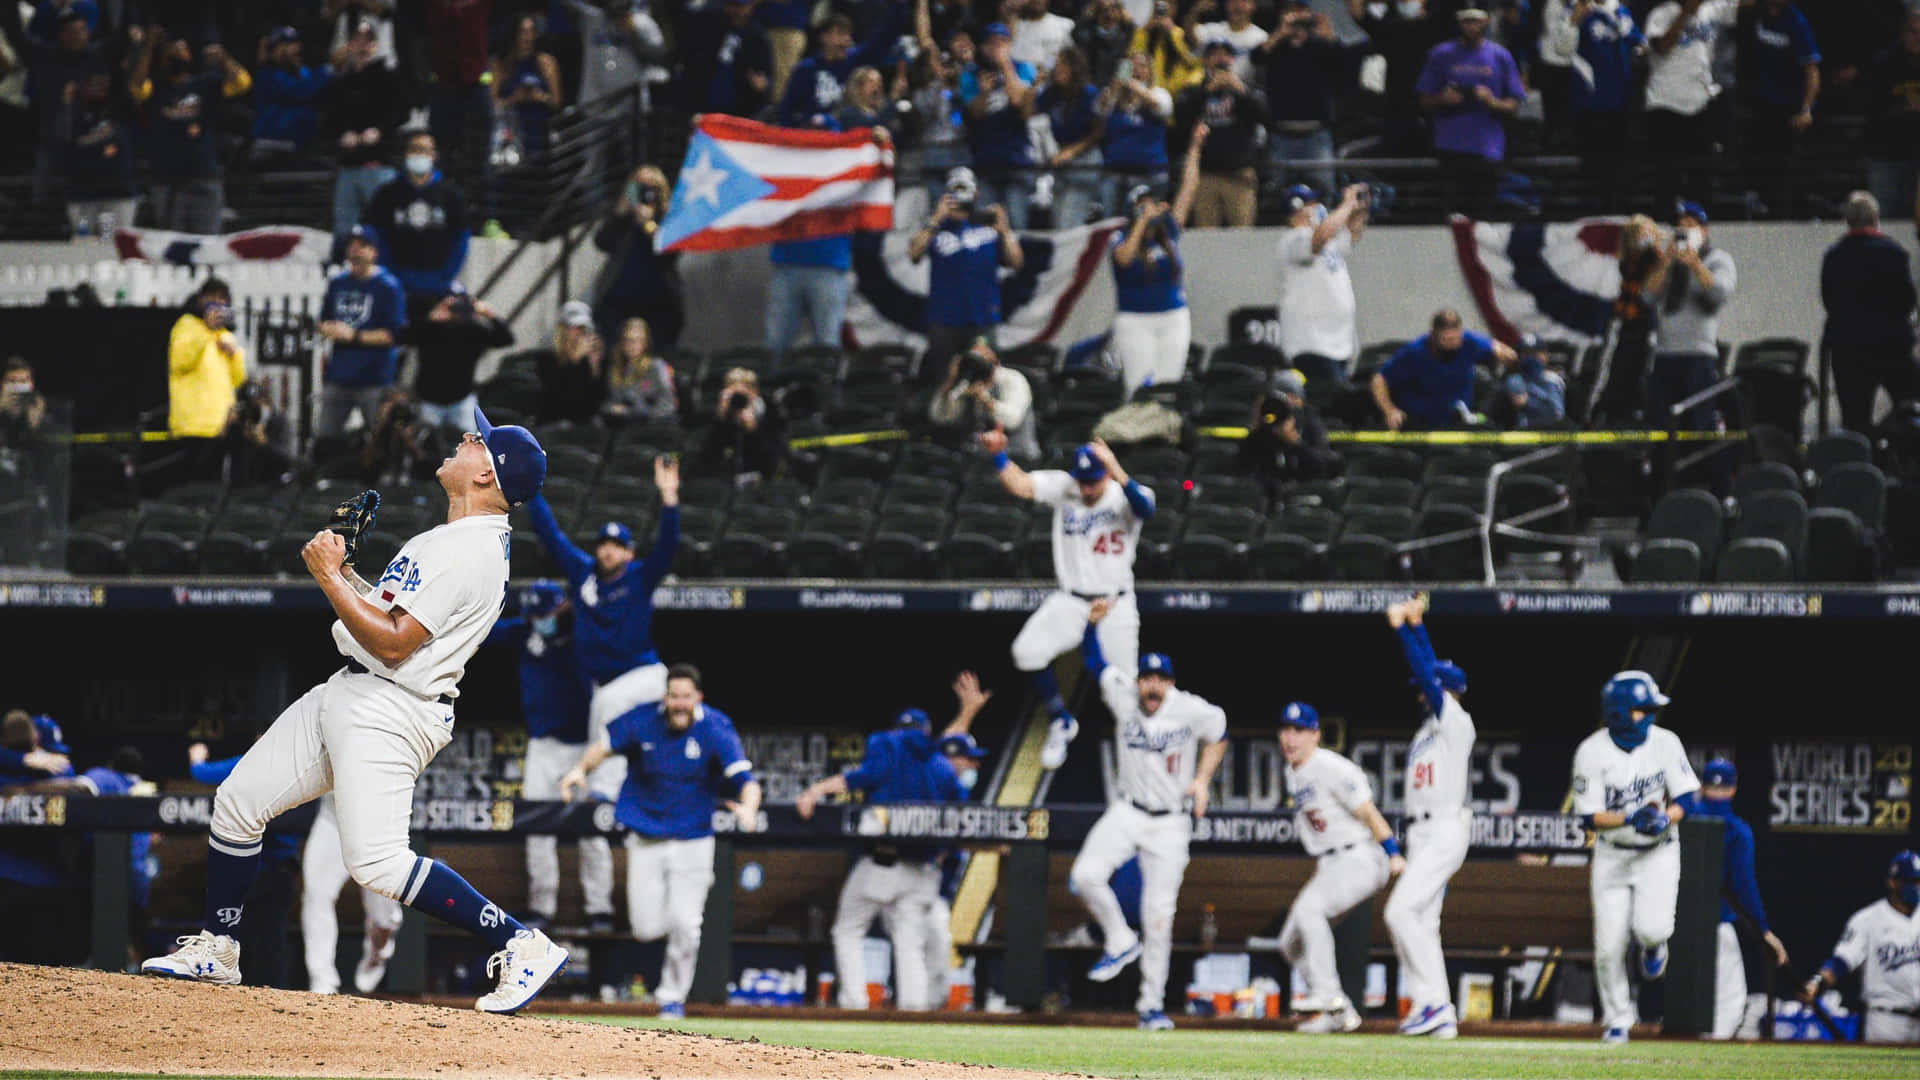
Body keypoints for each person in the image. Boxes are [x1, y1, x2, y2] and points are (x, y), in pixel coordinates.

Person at [142, 404, 568, 1013]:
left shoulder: (467, 549)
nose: (468, 438)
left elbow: (394, 643)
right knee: (238, 802)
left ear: (487, 477)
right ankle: (218, 946)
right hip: (356, 691)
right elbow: (391, 620)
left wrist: (328, 579)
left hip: (392, 709)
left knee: (376, 863)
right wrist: (350, 577)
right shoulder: (459, 540)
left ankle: (522, 944)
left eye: (481, 441)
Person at [560, 663, 761, 1019]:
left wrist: (748, 809)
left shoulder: (714, 726)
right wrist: (579, 770)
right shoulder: (643, 719)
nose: (679, 703)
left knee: (687, 924)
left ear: (697, 697)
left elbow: (745, 779)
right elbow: (603, 746)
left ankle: (671, 997)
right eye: (673, 696)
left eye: (686, 696)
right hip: (646, 836)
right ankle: (675, 931)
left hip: (693, 839)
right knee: (645, 927)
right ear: (665, 697)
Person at [1068, 599, 1227, 1032]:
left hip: (1171, 821)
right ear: (1138, 681)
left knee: (1159, 916)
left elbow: (1219, 732)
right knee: (1085, 875)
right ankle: (1119, 938)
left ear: (1171, 683)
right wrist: (1091, 625)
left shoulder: (1189, 707)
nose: (1152, 686)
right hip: (1129, 810)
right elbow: (1095, 661)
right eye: (1147, 678)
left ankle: (1150, 1008)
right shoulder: (1123, 695)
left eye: (1160, 679)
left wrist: (1202, 780)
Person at [979, 438, 1152, 771]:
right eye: (1082, 481)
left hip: (1116, 604)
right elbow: (1021, 485)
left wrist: (1116, 470)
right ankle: (1060, 719)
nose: (1086, 489)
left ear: (1108, 474)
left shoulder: (1125, 495)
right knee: (1025, 651)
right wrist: (998, 454)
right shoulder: (1066, 486)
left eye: (1094, 481)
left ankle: (1138, 769)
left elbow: (1147, 509)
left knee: (1126, 698)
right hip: (1071, 601)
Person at [526, 456, 680, 812]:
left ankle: (605, 794)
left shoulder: (639, 577)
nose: (607, 549)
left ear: (628, 552)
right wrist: (530, 490)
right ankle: (609, 792)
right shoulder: (583, 575)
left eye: (616, 544)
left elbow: (668, 547)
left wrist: (668, 498)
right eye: (603, 543)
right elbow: (551, 536)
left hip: (641, 674)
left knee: (606, 715)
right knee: (608, 719)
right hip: (608, 683)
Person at [794, 707, 962, 1011]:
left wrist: (817, 789)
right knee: (909, 941)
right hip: (925, 870)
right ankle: (914, 1012)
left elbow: (863, 777)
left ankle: (855, 1004)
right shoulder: (942, 765)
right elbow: (960, 818)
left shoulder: (888, 743)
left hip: (884, 862)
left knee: (847, 930)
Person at [1570, 670, 1700, 1044]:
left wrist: (1663, 817)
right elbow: (1588, 817)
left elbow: (1687, 799)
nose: (1649, 715)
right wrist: (1629, 817)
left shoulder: (1665, 742)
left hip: (1658, 852)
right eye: (1641, 709)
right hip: (1612, 855)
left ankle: (1654, 946)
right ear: (1618, 712)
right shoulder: (1591, 751)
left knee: (1652, 928)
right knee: (1608, 945)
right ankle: (1617, 1019)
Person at [487, 581, 610, 933]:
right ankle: (541, 907)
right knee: (537, 829)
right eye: (534, 614)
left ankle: (599, 909)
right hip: (542, 745)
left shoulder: (584, 633)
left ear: (562, 607)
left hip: (584, 747)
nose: (539, 619)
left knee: (593, 828)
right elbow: (483, 632)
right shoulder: (524, 631)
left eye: (545, 613)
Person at [1275, 701, 1405, 1034]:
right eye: (1286, 730)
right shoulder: (1292, 772)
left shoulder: (1331, 767)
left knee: (1310, 912)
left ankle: (1326, 993)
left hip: (1360, 856)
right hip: (1331, 863)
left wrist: (1393, 852)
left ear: (1316, 735)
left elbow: (1367, 812)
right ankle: (1340, 1013)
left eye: (1299, 731)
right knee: (1289, 944)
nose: (1291, 738)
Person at [1381, 598, 1473, 1040]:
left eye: (1430, 688)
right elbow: (1430, 670)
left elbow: (1428, 675)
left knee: (1399, 912)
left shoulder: (1455, 720)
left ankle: (1435, 1002)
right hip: (1422, 831)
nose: (1420, 691)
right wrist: (1418, 625)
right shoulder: (1430, 729)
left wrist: (1401, 631)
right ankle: (1432, 1009)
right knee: (1422, 922)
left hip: (1443, 828)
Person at [1678, 758, 1788, 1041]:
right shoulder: (1737, 830)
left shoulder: (1683, 816)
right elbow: (1744, 886)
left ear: (1703, 786)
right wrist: (1763, 930)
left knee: (1683, 1004)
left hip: (1674, 928)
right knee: (1729, 1004)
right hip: (1715, 927)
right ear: (1733, 789)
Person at [128, 29, 252, 233]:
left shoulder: (205, 84)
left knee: (207, 243)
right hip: (167, 180)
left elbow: (242, 83)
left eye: (183, 49)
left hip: (205, 175)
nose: (178, 53)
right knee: (171, 243)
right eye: (172, 51)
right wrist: (148, 49)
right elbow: (136, 88)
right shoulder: (157, 88)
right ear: (162, 59)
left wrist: (224, 59)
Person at [1108, 132, 1201, 392]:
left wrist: (1194, 148)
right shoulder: (1120, 238)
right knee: (1138, 385)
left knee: (1168, 384)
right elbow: (1124, 260)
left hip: (1173, 316)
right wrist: (1140, 224)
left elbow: (1188, 190)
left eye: (1151, 203)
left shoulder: (1167, 232)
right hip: (1135, 320)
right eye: (1142, 205)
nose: (1149, 209)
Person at [1821, 191, 1918, 435]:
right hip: (1891, 345)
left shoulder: (1834, 256)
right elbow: (1907, 300)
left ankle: (1861, 463)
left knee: (1854, 419)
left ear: (1848, 220)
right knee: (1909, 406)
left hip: (1849, 348)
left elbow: (1829, 300)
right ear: (1875, 218)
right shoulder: (1894, 253)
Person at [909, 167, 1024, 369]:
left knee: (985, 379)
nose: (960, 198)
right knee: (944, 380)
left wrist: (1005, 230)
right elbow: (914, 253)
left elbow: (1016, 262)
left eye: (965, 190)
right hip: (943, 322)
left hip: (982, 321)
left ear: (976, 194)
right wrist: (936, 219)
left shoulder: (988, 228)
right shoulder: (936, 229)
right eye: (955, 191)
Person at [1801, 850, 1920, 1044]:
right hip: (1886, 1022)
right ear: (1892, 882)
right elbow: (1841, 961)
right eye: (1911, 881)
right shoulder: (1867, 919)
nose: (1917, 887)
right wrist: (1817, 982)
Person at [1414, 8, 1523, 217]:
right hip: (1450, 146)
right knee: (1454, 216)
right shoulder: (1441, 54)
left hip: (1487, 148)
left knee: (1483, 216)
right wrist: (1443, 99)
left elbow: (1514, 105)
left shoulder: (1500, 56)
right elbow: (1424, 101)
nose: (1471, 26)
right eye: (1466, 21)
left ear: (1486, 22)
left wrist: (1491, 101)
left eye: (1476, 21)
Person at [300, 791, 404, 995]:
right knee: (316, 894)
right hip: (333, 819)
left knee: (383, 920)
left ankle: (378, 954)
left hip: (380, 825)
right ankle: (322, 980)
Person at [1643, 1, 1740, 217]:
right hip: (1665, 102)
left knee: (1702, 178)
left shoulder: (1710, 9)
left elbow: (1746, 6)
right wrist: (1686, 13)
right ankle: (1666, 231)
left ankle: (1699, 233)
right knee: (1667, 179)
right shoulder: (1660, 14)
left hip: (1700, 102)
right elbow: (1661, 47)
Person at [315, 224, 408, 445]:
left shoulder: (388, 287)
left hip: (374, 377)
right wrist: (326, 328)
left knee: (379, 440)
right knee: (325, 438)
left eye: (362, 246)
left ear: (374, 251)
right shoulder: (338, 283)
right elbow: (323, 319)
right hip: (339, 374)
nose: (355, 251)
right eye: (352, 246)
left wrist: (353, 336)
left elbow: (392, 335)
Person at [1647, 202, 1734, 436]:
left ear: (1704, 230)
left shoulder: (1718, 259)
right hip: (1665, 354)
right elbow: (1647, 296)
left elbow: (1719, 293)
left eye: (1690, 225)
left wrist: (1695, 264)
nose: (1683, 230)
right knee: (1661, 426)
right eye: (1679, 226)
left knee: (1699, 427)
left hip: (1698, 355)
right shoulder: (1667, 263)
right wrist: (1665, 261)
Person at [361, 132, 470, 317]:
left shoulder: (452, 195)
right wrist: (389, 275)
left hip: (438, 285)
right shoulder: (386, 193)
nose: (420, 155)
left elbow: (461, 240)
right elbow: (376, 237)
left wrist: (446, 276)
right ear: (406, 154)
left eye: (425, 150)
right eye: (415, 149)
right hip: (396, 283)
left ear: (434, 155)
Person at [322, 19, 404, 251]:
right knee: (344, 226)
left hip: (379, 164)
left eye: (368, 42)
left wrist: (379, 131)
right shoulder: (341, 82)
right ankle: (341, 268)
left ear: (376, 46)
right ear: (349, 45)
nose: (363, 47)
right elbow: (329, 118)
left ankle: (389, 265)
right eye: (358, 41)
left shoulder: (388, 77)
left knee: (384, 222)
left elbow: (401, 112)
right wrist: (342, 135)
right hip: (348, 165)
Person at [1556, 0, 1644, 209]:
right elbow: (1562, 49)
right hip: (1590, 98)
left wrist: (1641, 51)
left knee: (1620, 164)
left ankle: (1618, 209)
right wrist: (1573, 22)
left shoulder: (1621, 10)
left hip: (1622, 99)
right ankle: (1592, 213)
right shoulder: (1575, 9)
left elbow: (1638, 42)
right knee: (1593, 165)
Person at [1275, 183, 1366, 384]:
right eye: (1312, 203)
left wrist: (1359, 210)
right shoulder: (1293, 239)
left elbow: (1350, 235)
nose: (1318, 207)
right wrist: (1347, 204)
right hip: (1311, 344)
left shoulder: (1324, 239)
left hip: (1337, 343)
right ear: (1297, 207)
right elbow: (1320, 238)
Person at [1172, 40, 1268, 228]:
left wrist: (1241, 90)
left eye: (1226, 55)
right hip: (1205, 177)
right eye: (1215, 54)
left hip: (1240, 176)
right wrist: (1207, 90)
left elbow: (1265, 115)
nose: (1221, 59)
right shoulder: (1195, 91)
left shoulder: (1247, 90)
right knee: (1206, 238)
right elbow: (1181, 118)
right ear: (1205, 61)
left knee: (1242, 238)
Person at [401, 283, 515, 437]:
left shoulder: (474, 330)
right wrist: (430, 319)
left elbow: (505, 339)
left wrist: (490, 315)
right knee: (427, 445)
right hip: (429, 399)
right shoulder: (429, 329)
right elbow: (403, 337)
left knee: (468, 445)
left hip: (462, 398)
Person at [1371, 309, 1513, 431]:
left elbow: (1503, 351)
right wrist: (1389, 410)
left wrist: (1505, 355)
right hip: (1420, 422)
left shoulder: (1470, 342)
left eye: (1455, 339)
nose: (1452, 345)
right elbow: (1379, 380)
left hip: (1458, 419)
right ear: (1433, 335)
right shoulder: (1414, 352)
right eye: (1446, 340)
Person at [1739, 0, 1819, 215]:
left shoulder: (1796, 21)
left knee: (1782, 168)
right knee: (1754, 161)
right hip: (1758, 104)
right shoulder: (1755, 13)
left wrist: (1806, 109)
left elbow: (1811, 70)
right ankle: (1755, 202)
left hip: (1787, 107)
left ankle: (1782, 212)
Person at [592, 165, 684, 348]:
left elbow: (671, 252)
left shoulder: (669, 218)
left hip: (658, 305)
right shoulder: (623, 219)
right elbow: (602, 242)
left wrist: (648, 224)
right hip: (619, 302)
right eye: (639, 185)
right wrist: (620, 212)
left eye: (651, 186)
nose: (645, 191)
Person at [1257, 4, 1343, 196]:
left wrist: (1328, 35)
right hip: (1281, 135)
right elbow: (1257, 57)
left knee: (1325, 190)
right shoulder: (1276, 47)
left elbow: (1343, 63)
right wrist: (1281, 32)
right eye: (1292, 12)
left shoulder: (1320, 46)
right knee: (1273, 191)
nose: (1297, 19)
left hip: (1316, 135)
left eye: (1301, 12)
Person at [166, 277, 247, 479]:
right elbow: (180, 363)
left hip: (220, 425)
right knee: (192, 483)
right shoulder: (186, 326)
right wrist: (205, 333)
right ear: (201, 299)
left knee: (214, 484)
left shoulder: (226, 334)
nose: (217, 303)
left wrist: (234, 354)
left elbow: (238, 380)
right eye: (212, 297)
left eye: (222, 299)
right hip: (192, 425)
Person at [959, 23, 1038, 229]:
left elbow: (1019, 102)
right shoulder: (971, 74)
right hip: (985, 161)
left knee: (1016, 224)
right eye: (991, 43)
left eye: (1002, 43)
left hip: (1017, 159)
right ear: (982, 47)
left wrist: (1005, 64)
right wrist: (983, 93)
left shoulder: (1022, 68)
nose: (996, 48)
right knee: (985, 226)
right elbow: (974, 112)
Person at [58, 67, 138, 238]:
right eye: (92, 83)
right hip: (82, 196)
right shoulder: (72, 114)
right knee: (83, 244)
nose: (98, 86)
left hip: (117, 194)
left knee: (114, 246)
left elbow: (134, 79)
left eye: (102, 81)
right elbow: (59, 139)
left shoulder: (120, 109)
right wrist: (67, 104)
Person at [1237, 369, 1339, 500]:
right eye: (1281, 395)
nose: (1286, 401)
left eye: (1290, 395)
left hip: (1303, 492)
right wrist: (1257, 428)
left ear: (1299, 400)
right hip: (1267, 494)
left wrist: (1295, 442)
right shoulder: (1267, 421)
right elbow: (1242, 465)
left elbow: (1321, 466)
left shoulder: (1309, 421)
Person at [1096, 49, 1175, 218]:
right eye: (1130, 65)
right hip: (1115, 175)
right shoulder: (1113, 96)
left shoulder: (1159, 93)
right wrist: (1115, 88)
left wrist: (1133, 86)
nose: (1135, 70)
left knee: (1146, 224)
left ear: (1150, 71)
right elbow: (1098, 113)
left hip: (1150, 174)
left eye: (1142, 66)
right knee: (1111, 224)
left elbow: (1161, 108)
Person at [930, 339, 1039, 459]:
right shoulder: (966, 380)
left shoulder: (1013, 379)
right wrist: (951, 381)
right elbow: (940, 417)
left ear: (996, 361)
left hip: (1013, 456)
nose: (976, 366)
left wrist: (984, 399)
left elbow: (1012, 421)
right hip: (971, 457)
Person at [1039, 46, 1103, 229]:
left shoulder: (1089, 93)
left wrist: (1071, 151)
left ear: (1074, 67)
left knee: (1068, 225)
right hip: (1060, 163)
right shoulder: (1052, 94)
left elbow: (1098, 132)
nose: (1058, 68)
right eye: (1056, 64)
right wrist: (1035, 84)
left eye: (1063, 64)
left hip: (1084, 159)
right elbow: (1027, 112)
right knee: (1057, 222)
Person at [1864, 16, 1920, 223]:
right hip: (1887, 153)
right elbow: (1871, 108)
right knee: (1884, 218)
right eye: (1912, 32)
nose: (1917, 38)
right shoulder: (1884, 63)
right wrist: (1904, 109)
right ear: (1903, 34)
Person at [250, 25, 330, 161]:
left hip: (301, 146)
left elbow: (318, 93)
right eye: (287, 44)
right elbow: (299, 91)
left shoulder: (302, 72)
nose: (296, 49)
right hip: (272, 146)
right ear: (274, 50)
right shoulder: (268, 75)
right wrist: (328, 69)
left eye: (296, 43)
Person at [700, 367, 789, 487]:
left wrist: (752, 428)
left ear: (754, 393)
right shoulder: (723, 416)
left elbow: (773, 463)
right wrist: (720, 419)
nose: (738, 401)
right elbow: (707, 459)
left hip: (763, 483)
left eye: (742, 395)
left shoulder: (773, 414)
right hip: (726, 483)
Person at [490, 14, 562, 161]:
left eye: (531, 32)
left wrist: (541, 97)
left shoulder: (547, 63)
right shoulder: (499, 64)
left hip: (540, 132)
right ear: (514, 34)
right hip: (510, 134)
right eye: (523, 32)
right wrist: (514, 98)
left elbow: (557, 101)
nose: (527, 37)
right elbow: (491, 105)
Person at [602, 318, 680, 426]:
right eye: (627, 340)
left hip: (651, 424)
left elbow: (668, 404)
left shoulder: (656, 367)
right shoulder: (615, 369)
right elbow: (610, 401)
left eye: (637, 340)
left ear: (645, 343)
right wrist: (611, 408)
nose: (632, 345)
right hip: (621, 424)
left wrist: (637, 412)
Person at [539, 301, 606, 423]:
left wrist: (594, 367)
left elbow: (597, 400)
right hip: (555, 419)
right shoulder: (547, 358)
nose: (579, 333)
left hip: (585, 421)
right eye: (575, 327)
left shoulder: (590, 358)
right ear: (563, 329)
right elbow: (556, 399)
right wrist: (575, 360)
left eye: (583, 328)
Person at [1494, 333, 1568, 429]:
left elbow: (1556, 415)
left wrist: (1527, 402)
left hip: (1543, 436)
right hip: (1515, 434)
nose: (1529, 358)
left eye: (1534, 354)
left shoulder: (1551, 380)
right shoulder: (1513, 379)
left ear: (1544, 356)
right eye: (1525, 354)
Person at [1128, 1, 1202, 92]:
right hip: (1145, 91)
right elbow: (1130, 57)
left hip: (1174, 92)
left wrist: (1172, 32)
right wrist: (1145, 30)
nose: (1164, 9)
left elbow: (1192, 62)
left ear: (1175, 9)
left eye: (1170, 4)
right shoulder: (1142, 33)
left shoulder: (1179, 33)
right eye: (1159, 5)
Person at [1188, 0, 1268, 82]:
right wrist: (1195, 12)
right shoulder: (1212, 29)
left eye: (1244, 1)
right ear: (1226, 5)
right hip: (1206, 86)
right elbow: (1189, 37)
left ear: (1253, 6)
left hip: (1242, 89)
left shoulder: (1261, 38)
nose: (1238, 6)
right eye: (1233, 1)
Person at [1012, 0, 1076, 72]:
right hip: (1013, 76)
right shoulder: (1013, 24)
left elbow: (1071, 61)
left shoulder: (1063, 25)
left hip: (1049, 78)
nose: (1038, 1)